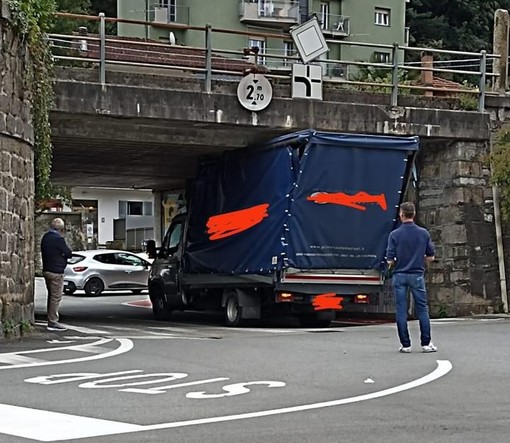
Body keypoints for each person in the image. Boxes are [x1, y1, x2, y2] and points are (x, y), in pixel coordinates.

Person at [386, 202, 437, 353]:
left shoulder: (394, 235)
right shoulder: (423, 233)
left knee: (401, 309)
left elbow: (389, 260)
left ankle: (406, 345)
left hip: (400, 275)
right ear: (413, 214)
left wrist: (396, 261)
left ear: (401, 214)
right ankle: (426, 344)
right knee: (422, 309)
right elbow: (431, 256)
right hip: (417, 274)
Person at [41, 218, 72, 331]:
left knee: (51, 295)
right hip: (56, 271)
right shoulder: (59, 239)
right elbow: (68, 253)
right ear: (61, 229)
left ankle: (51, 318)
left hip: (46, 269)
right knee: (56, 297)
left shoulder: (45, 237)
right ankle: (53, 321)